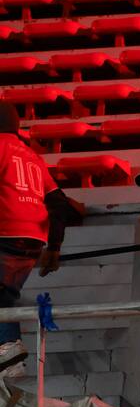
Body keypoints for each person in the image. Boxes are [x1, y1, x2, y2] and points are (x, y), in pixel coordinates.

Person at [0, 102, 74, 377]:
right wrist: (54, 247)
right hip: (33, 239)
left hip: (6, 231)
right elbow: (58, 200)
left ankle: (9, 348)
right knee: (5, 295)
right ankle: (10, 358)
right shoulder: (32, 156)